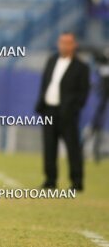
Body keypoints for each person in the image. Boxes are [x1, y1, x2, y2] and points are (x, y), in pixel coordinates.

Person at [35, 32, 90, 191]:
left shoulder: (81, 67)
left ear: (74, 45)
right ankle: (50, 180)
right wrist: (42, 104)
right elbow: (46, 83)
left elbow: (83, 92)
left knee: (73, 148)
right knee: (49, 147)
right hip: (49, 111)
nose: (64, 46)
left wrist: (74, 108)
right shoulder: (52, 60)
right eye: (61, 42)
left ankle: (76, 181)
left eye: (67, 43)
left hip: (67, 114)